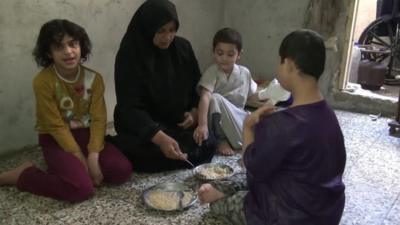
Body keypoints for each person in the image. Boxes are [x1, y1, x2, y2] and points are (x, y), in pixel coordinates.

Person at [198, 29, 346, 225]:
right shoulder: (329, 115)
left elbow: (252, 168)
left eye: (280, 61)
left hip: (288, 215)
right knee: (260, 171)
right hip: (327, 212)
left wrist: (249, 128)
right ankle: (222, 188)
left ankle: (221, 193)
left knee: (215, 204)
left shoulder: (282, 125)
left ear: (290, 65)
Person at [0, 19, 132, 202]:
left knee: (122, 171)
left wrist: (93, 156)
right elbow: (54, 125)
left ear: (81, 46)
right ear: (49, 52)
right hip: (55, 139)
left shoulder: (94, 79)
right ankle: (22, 175)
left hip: (87, 134)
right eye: (59, 47)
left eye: (73, 44)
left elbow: (99, 119)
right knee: (80, 190)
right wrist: (80, 158)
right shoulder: (43, 82)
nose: (68, 51)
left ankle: (72, 168)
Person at [107, 0, 215, 172]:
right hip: (144, 126)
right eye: (160, 31)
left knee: (208, 142)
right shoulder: (130, 55)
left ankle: (175, 155)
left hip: (176, 122)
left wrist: (194, 112)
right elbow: (129, 107)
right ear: (147, 29)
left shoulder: (182, 47)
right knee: (150, 153)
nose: (167, 37)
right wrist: (159, 137)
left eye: (172, 30)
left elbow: (197, 86)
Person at [193, 28, 258, 156]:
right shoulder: (212, 72)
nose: (224, 58)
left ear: (239, 54)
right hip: (219, 124)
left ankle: (244, 139)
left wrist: (270, 99)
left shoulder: (245, 73)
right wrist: (202, 125)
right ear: (214, 52)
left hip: (237, 120)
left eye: (230, 54)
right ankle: (220, 140)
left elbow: (252, 97)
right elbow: (205, 97)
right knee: (214, 98)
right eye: (220, 53)